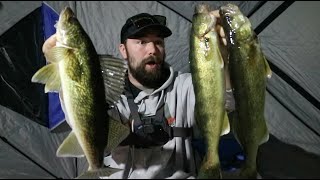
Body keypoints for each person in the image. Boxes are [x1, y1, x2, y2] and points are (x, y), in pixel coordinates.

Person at [43, 10, 235, 179]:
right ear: (123, 50)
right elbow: (80, 117)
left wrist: (224, 58)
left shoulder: (184, 86)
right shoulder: (105, 92)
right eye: (141, 42)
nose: (152, 50)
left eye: (158, 42)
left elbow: (226, 102)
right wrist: (58, 65)